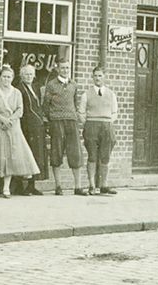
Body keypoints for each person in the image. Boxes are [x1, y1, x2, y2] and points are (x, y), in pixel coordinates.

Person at [0, 65, 40, 198]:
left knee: (10, 155)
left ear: (13, 78)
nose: (6, 79)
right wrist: (2, 119)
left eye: (9, 77)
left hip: (12, 126)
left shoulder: (16, 92)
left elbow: (20, 110)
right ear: (0, 77)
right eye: (4, 76)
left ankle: (6, 187)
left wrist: (10, 120)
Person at [43, 59, 87, 196]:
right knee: (56, 153)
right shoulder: (51, 85)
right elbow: (46, 105)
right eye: (62, 68)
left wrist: (74, 117)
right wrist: (51, 119)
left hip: (71, 121)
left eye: (67, 67)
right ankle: (58, 186)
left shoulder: (74, 84)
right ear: (58, 69)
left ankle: (78, 187)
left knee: (75, 153)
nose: (65, 70)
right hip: (57, 121)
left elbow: (74, 103)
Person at [78, 66, 119, 195]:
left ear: (104, 77)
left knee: (105, 157)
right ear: (92, 77)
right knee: (92, 156)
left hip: (106, 126)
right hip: (91, 126)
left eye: (100, 75)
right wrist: (88, 124)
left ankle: (104, 185)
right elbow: (81, 112)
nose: (97, 78)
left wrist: (108, 122)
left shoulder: (111, 94)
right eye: (95, 75)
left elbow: (115, 112)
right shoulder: (86, 94)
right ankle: (92, 185)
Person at [13, 64, 48, 196]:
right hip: (25, 125)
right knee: (23, 154)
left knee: (35, 154)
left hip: (36, 126)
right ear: (21, 76)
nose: (29, 76)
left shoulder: (35, 87)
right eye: (26, 74)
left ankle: (31, 185)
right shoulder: (19, 89)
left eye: (31, 74)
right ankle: (19, 186)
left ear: (34, 76)